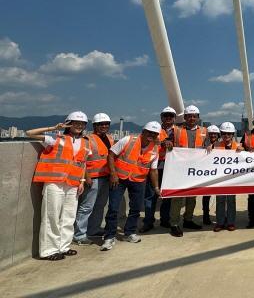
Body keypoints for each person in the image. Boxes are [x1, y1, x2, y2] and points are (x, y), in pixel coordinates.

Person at [27, 111, 90, 261]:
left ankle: (64, 246)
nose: (79, 126)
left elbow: (83, 163)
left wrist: (81, 181)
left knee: (69, 216)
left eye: (82, 124)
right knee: (51, 216)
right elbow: (29, 133)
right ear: (68, 123)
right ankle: (49, 250)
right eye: (75, 122)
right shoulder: (56, 138)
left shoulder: (85, 143)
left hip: (73, 184)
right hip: (54, 182)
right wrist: (53, 127)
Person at [101, 122, 160, 251]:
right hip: (119, 179)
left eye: (155, 134)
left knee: (136, 209)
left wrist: (156, 188)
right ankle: (109, 236)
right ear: (143, 131)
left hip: (138, 181)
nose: (151, 135)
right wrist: (113, 174)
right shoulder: (128, 140)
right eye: (149, 132)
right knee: (113, 208)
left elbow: (153, 170)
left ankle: (129, 232)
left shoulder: (155, 150)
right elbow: (111, 155)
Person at [74, 113, 114, 245]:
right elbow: (82, 159)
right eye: (101, 124)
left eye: (106, 124)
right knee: (86, 206)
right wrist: (87, 177)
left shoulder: (109, 138)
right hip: (93, 178)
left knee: (100, 205)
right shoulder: (88, 139)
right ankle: (79, 235)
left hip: (105, 177)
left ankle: (93, 229)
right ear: (95, 125)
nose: (104, 126)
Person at [168, 105, 205, 237]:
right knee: (177, 197)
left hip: (196, 170)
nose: (191, 118)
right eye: (189, 116)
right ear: (184, 117)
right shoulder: (176, 131)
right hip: (180, 169)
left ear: (198, 118)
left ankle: (188, 219)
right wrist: (168, 144)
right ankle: (174, 223)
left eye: (194, 116)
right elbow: (167, 141)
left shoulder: (204, 131)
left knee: (192, 197)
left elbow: (209, 147)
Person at [142, 106, 176, 232]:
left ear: (174, 118)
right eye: (165, 115)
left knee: (167, 196)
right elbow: (150, 140)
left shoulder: (178, 131)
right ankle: (148, 221)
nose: (168, 118)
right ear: (161, 117)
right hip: (155, 166)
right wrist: (163, 142)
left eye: (170, 116)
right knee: (151, 195)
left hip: (171, 167)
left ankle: (165, 220)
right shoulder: (155, 129)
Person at [213, 122, 243, 232]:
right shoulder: (215, 146)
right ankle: (220, 223)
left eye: (229, 134)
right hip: (219, 178)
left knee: (231, 200)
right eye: (224, 133)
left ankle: (231, 222)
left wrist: (243, 152)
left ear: (233, 134)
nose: (227, 136)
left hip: (232, 179)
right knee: (220, 200)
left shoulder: (238, 147)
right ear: (221, 134)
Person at [201, 125, 221, 225]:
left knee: (220, 196)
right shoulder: (202, 144)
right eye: (211, 134)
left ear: (218, 135)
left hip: (219, 174)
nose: (213, 135)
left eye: (215, 134)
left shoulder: (221, 145)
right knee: (206, 197)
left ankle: (220, 216)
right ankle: (205, 215)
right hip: (206, 174)